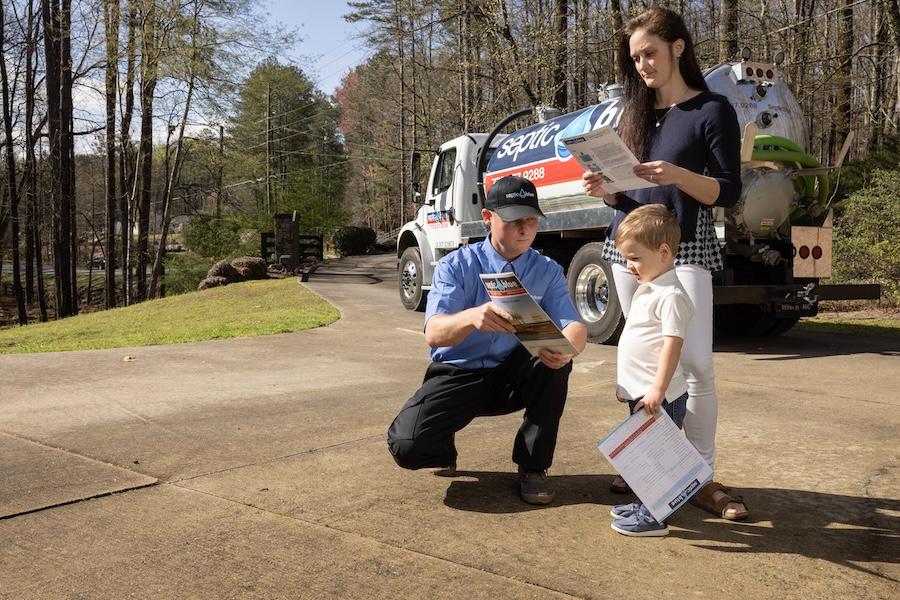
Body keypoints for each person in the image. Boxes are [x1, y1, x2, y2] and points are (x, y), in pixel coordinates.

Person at [582, 6, 749, 520]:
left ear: (678, 47)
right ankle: (650, 462)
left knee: (696, 367)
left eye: (649, 53)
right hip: (627, 251)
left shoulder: (712, 110)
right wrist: (606, 190)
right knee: (643, 369)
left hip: (683, 251)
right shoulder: (632, 115)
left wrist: (677, 174)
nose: (642, 66)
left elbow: (727, 192)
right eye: (634, 59)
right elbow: (627, 197)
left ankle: (700, 476)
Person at [387, 175, 588, 505]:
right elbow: (434, 332)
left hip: (514, 373)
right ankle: (441, 446)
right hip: (459, 373)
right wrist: (472, 318)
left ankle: (533, 466)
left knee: (553, 365)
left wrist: (568, 350)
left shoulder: (547, 269)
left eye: (531, 220)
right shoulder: (456, 265)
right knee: (407, 447)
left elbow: (574, 326)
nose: (525, 229)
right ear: (487, 218)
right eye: (513, 220)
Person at [606, 204, 693, 537]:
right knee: (642, 453)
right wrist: (627, 386)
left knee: (659, 458)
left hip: (661, 395)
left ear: (664, 252)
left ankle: (655, 518)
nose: (629, 266)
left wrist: (657, 389)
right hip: (642, 393)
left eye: (635, 258)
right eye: (626, 258)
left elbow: (672, 346)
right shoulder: (650, 288)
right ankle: (645, 505)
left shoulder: (670, 295)